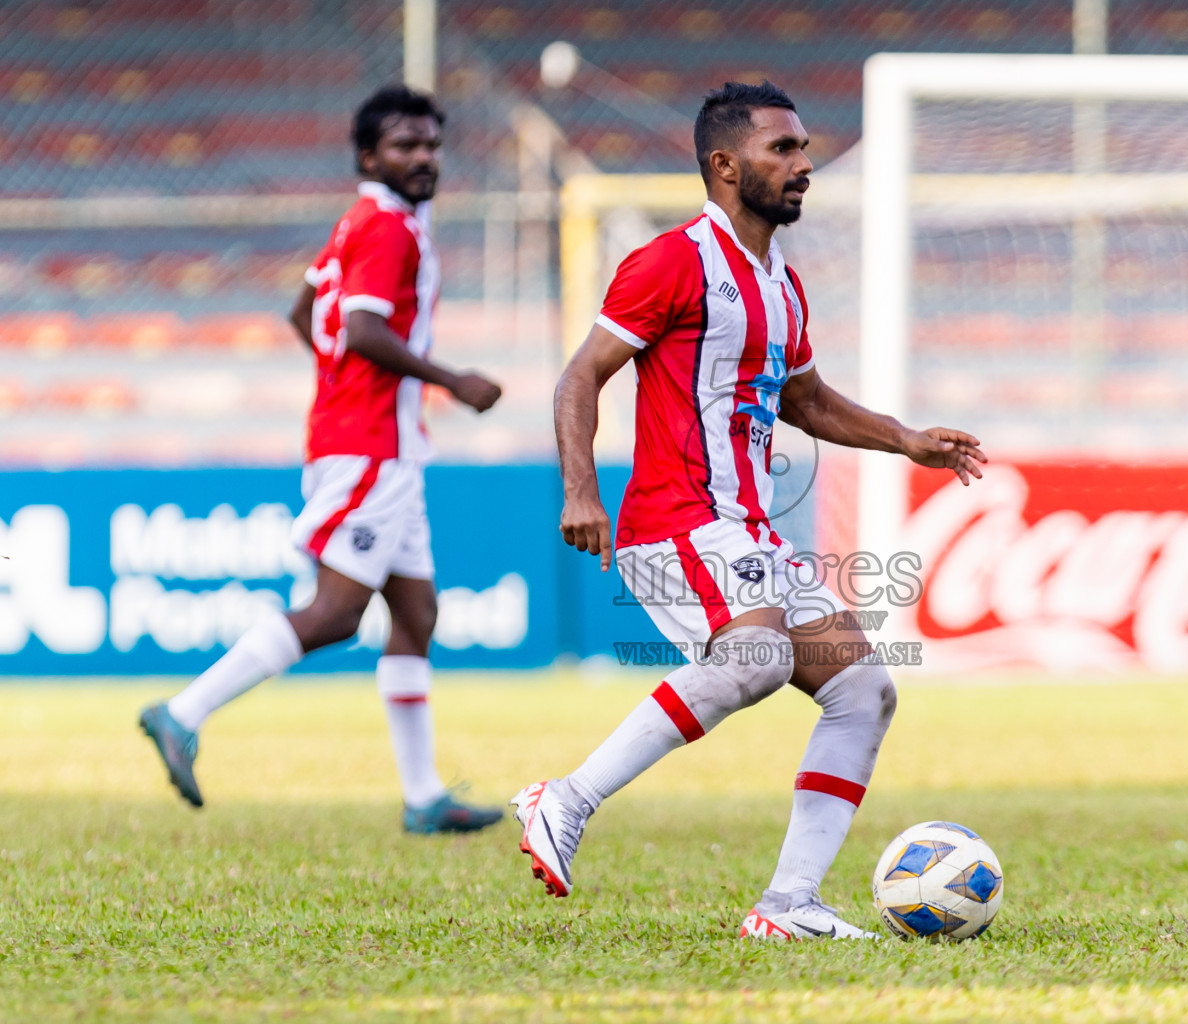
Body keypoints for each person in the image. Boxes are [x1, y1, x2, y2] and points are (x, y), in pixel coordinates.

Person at [509, 81, 987, 940]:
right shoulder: (670, 263)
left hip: (749, 531)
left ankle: (788, 904)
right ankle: (565, 798)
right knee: (759, 654)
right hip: (676, 519)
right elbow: (580, 375)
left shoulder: (783, 284)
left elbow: (808, 402)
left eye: (803, 149)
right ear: (725, 165)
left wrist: (905, 438)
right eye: (783, 151)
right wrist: (580, 488)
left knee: (863, 691)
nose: (803, 166)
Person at [138, 84, 505, 835]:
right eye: (406, 145)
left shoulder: (360, 222)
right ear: (370, 156)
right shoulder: (390, 229)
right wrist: (454, 382)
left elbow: (304, 312)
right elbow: (364, 331)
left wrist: (345, 380)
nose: (424, 157)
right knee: (337, 613)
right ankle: (182, 711)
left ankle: (424, 794)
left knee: (416, 611)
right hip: (369, 449)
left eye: (432, 144)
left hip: (383, 445)